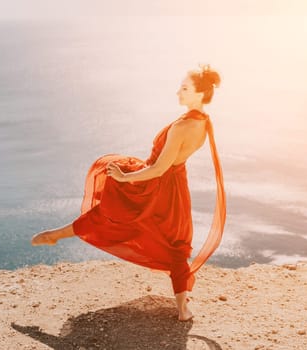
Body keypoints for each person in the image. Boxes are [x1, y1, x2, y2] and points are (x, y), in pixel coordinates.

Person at [31, 65, 226, 321]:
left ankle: (54, 234)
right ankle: (182, 309)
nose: (178, 91)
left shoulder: (183, 127)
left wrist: (125, 177)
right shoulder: (204, 122)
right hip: (177, 188)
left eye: (185, 88)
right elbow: (170, 164)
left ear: (200, 94)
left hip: (155, 185)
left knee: (109, 210)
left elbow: (157, 169)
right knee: (176, 243)